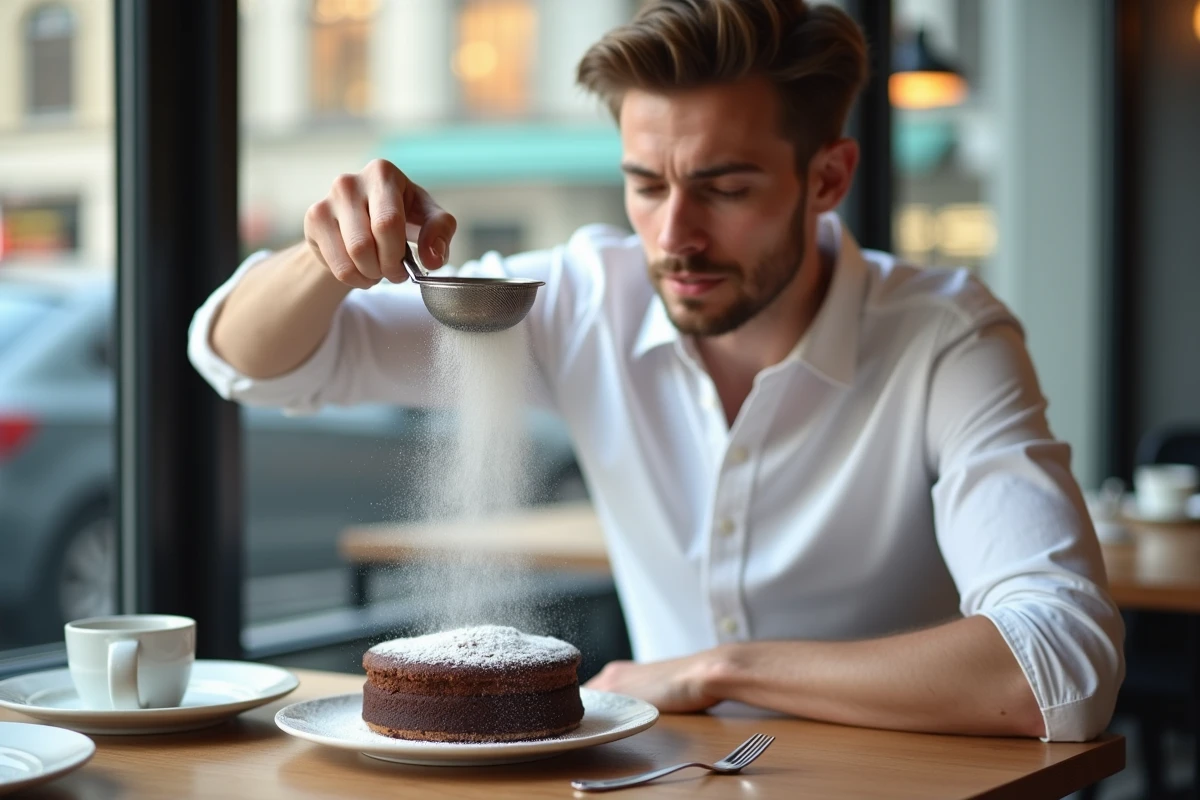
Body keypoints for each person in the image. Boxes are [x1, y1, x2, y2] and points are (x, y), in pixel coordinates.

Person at [189, 0, 1122, 741]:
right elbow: (249, 363)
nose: (675, 236)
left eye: (725, 187)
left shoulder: (947, 337)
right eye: (647, 184)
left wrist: (721, 669)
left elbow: (1059, 671)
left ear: (828, 179)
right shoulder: (585, 296)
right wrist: (323, 259)